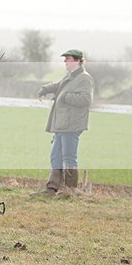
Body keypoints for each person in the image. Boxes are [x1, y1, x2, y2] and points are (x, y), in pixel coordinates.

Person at [33, 49, 94, 194]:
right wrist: (45, 89)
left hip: (72, 124)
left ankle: (70, 190)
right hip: (62, 123)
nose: (65, 61)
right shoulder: (71, 77)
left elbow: (86, 99)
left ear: (78, 61)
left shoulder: (84, 78)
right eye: (65, 59)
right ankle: (52, 188)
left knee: (69, 157)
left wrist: (65, 96)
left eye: (68, 59)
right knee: (56, 156)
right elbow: (58, 86)